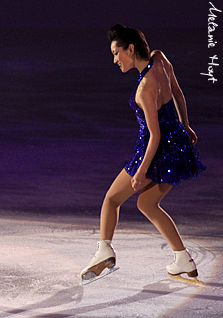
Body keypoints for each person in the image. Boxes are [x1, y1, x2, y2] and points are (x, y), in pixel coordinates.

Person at [80, 24, 205, 284]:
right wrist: (186, 125)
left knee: (112, 199)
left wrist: (140, 172)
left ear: (131, 49)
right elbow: (179, 94)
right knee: (147, 204)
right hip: (176, 146)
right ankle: (182, 259)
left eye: (117, 53)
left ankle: (104, 251)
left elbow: (154, 135)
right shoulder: (161, 58)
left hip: (156, 150)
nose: (115, 60)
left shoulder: (144, 88)